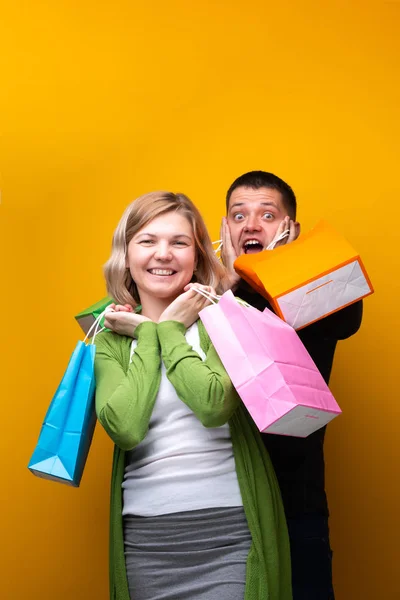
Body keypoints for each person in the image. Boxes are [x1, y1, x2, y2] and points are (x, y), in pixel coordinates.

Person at [93, 191, 292, 600]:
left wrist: (168, 331)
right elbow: (126, 429)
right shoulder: (107, 342)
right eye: (148, 241)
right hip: (147, 544)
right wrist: (148, 334)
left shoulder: (226, 320)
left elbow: (213, 405)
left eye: (179, 242)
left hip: (231, 536)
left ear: (198, 257)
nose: (163, 254)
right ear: (126, 255)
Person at [220, 171, 363, 600]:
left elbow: (347, 320)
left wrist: (268, 271)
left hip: (295, 502)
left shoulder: (317, 290)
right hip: (224, 506)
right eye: (238, 215)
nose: (250, 225)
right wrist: (227, 285)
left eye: (267, 214)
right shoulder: (204, 293)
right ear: (224, 228)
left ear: (290, 230)